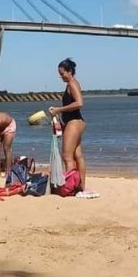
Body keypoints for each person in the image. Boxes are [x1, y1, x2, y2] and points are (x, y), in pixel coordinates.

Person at [49, 57, 87, 193]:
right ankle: (80, 186)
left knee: (67, 156)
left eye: (62, 74)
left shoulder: (72, 84)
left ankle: (70, 187)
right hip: (77, 122)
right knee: (78, 155)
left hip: (74, 123)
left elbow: (79, 103)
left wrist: (58, 110)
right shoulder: (72, 83)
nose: (61, 77)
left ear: (69, 71)